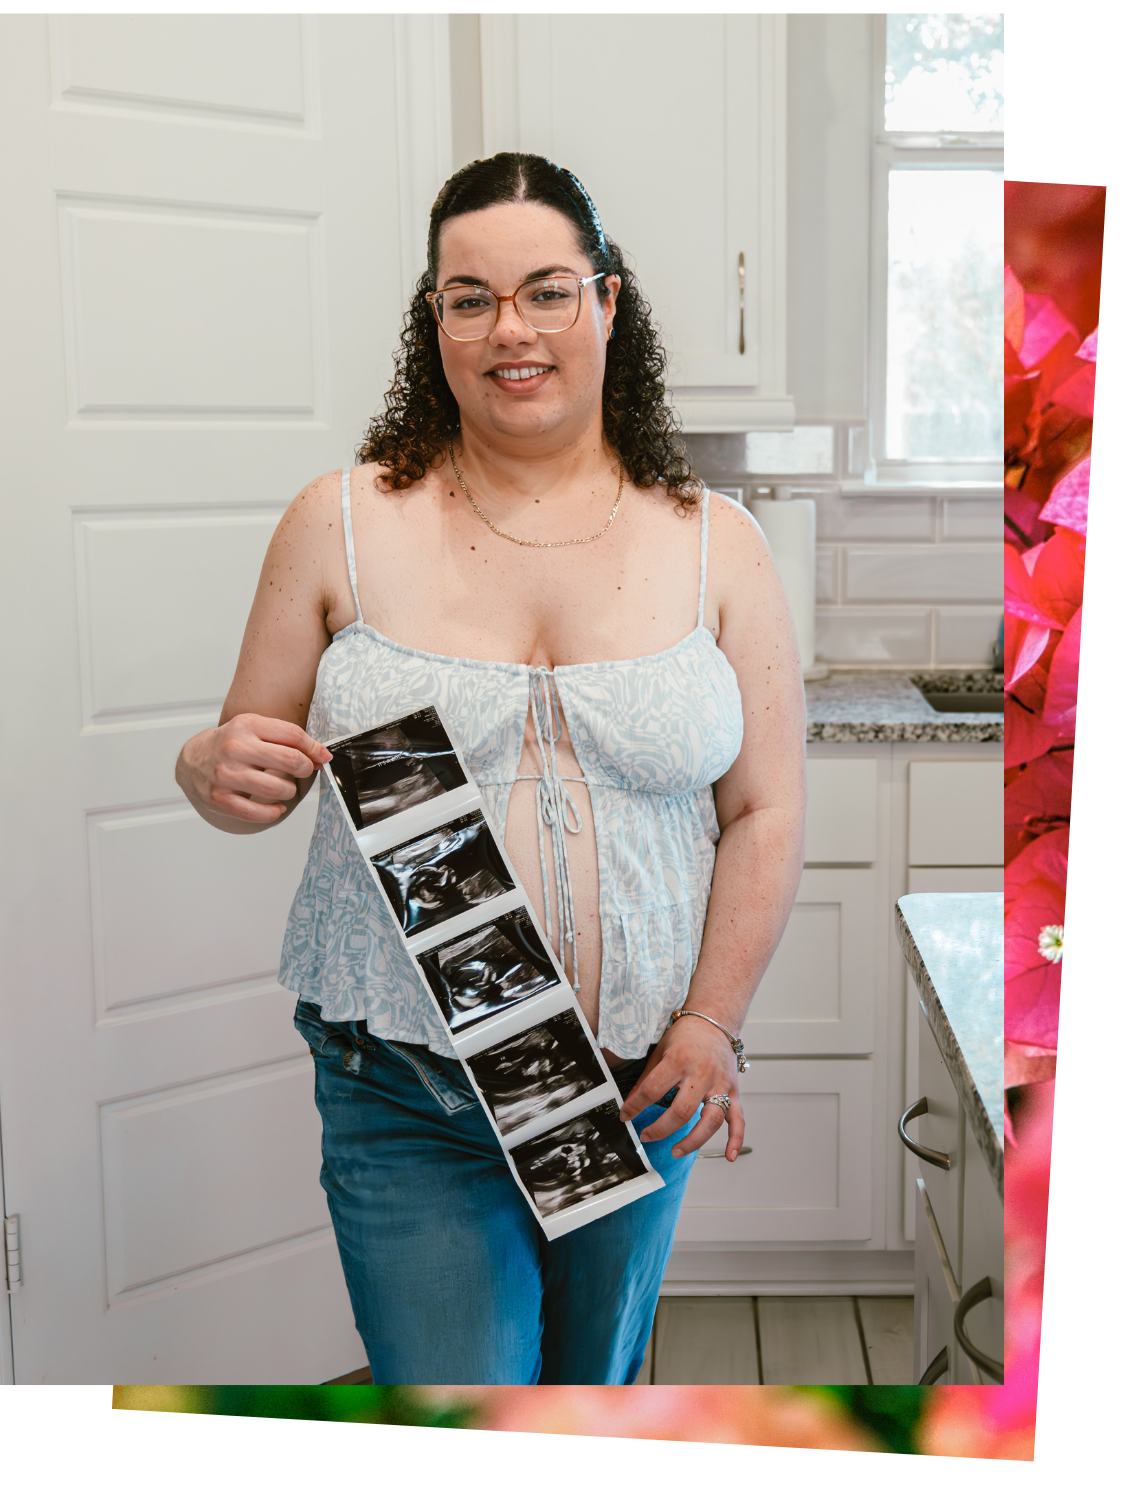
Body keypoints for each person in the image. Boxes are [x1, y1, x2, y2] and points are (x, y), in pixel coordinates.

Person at [175, 152, 806, 1384]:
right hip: (406, 1085)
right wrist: (212, 768)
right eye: (470, 297)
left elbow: (768, 809)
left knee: (583, 1402)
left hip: (638, 1074)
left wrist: (714, 1022)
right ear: (437, 321)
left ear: (607, 302)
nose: (510, 328)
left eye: (546, 291)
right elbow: (247, 765)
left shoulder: (715, 543)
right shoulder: (342, 517)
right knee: (465, 1415)